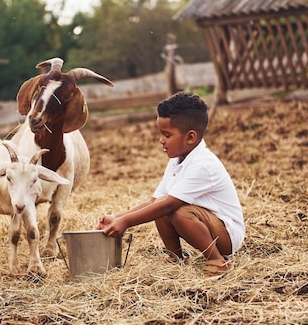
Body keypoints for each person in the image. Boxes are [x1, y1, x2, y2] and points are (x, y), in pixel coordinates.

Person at [97, 92, 245, 276]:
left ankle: (217, 260)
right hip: (206, 224)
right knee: (161, 206)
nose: (161, 140)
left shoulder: (202, 165)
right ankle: (175, 258)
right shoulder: (178, 160)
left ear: (190, 137)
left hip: (227, 235)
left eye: (167, 134)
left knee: (175, 210)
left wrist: (126, 222)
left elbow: (169, 205)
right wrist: (118, 216)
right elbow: (155, 202)